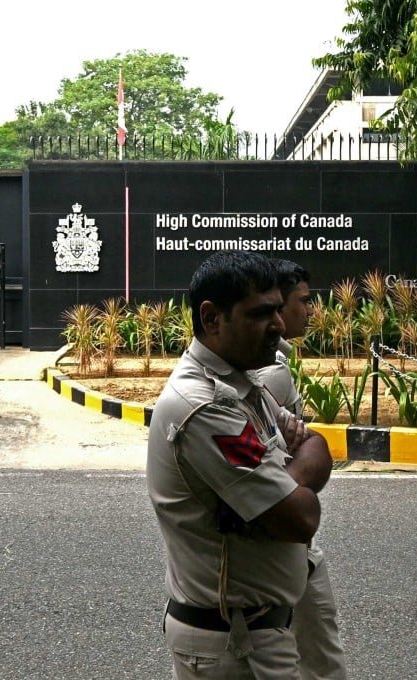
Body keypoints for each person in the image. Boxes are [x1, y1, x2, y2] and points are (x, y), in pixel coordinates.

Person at [147, 250, 333, 679]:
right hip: (234, 648)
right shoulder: (205, 408)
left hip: (257, 635)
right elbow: (301, 517)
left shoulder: (242, 384)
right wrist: (288, 492)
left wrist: (284, 480)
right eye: (261, 313)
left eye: (278, 310)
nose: (280, 326)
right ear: (212, 319)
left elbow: (318, 445)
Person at [252, 260, 347, 679]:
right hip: (287, 533)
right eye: (302, 302)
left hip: (283, 530)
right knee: (321, 658)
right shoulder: (270, 373)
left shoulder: (273, 365)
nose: (310, 311)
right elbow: (286, 455)